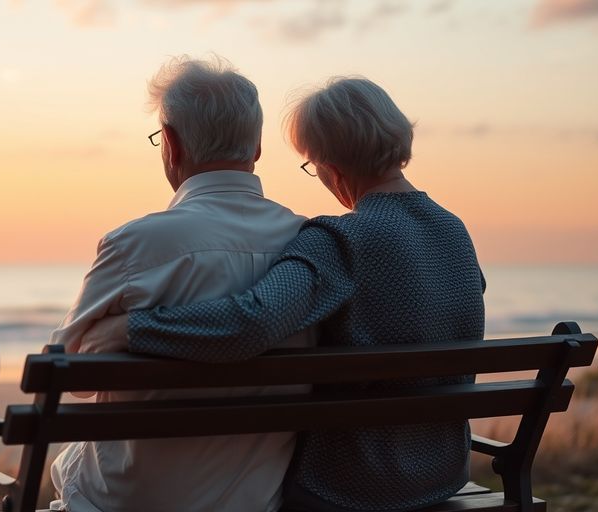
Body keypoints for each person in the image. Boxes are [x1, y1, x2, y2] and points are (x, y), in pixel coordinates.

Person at [80, 77, 486, 512]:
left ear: (330, 166)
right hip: (442, 474)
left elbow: (252, 323)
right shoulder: (453, 231)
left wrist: (134, 327)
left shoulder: (338, 240)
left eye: (311, 165)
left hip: (353, 487)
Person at [47, 55, 313, 512]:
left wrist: (124, 332)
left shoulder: (136, 244)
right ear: (257, 148)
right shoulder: (309, 243)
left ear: (170, 144)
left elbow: (71, 377)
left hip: (128, 501)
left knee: (68, 467)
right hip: (255, 502)